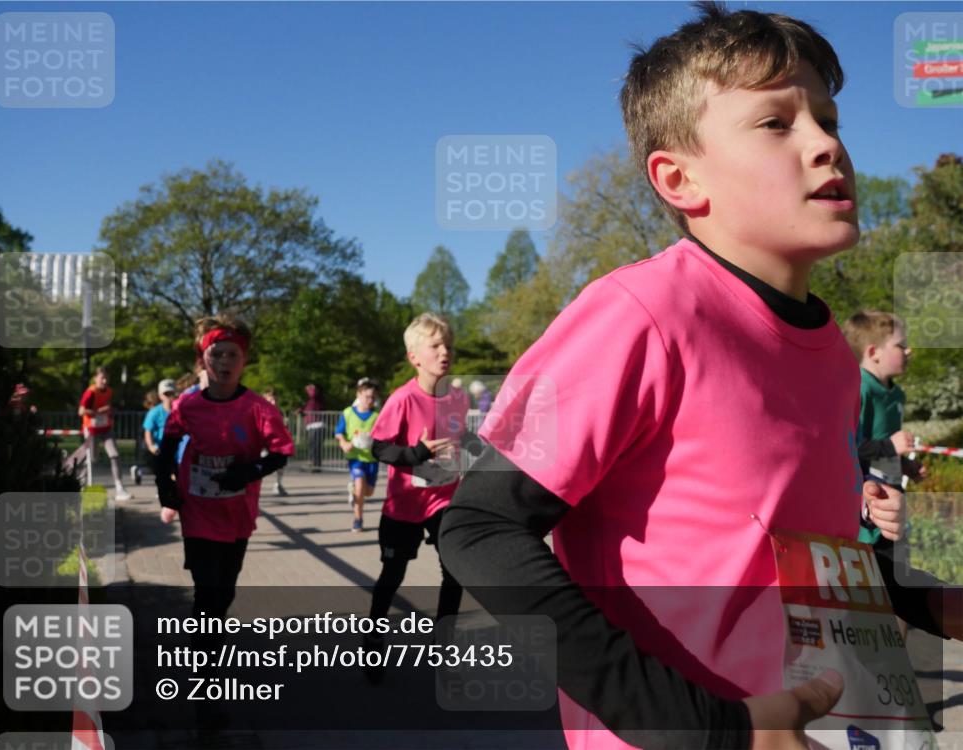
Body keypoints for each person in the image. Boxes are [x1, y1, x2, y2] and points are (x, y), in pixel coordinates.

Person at [439, 6, 959, 749]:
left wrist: (931, 602)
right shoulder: (636, 314)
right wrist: (705, 728)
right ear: (678, 178)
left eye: (829, 118)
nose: (826, 146)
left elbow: (811, 540)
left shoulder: (836, 352)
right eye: (776, 124)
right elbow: (480, 526)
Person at [363, 313, 482, 682]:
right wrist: (415, 454)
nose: (444, 351)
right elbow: (378, 449)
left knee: (455, 569)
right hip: (403, 505)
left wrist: (482, 448)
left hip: (444, 498)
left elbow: (464, 439)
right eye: (435, 346)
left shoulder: (459, 398)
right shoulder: (402, 400)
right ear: (415, 356)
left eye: (447, 344)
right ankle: (372, 644)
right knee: (392, 575)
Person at [156, 314, 294, 635]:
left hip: (237, 513)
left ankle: (210, 640)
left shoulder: (259, 408)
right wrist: (166, 488)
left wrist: (246, 472)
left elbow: (281, 452)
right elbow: (166, 452)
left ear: (244, 361)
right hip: (198, 509)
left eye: (233, 354)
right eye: (216, 353)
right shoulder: (186, 406)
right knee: (205, 589)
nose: (224, 361)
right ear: (202, 360)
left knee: (225, 591)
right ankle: (205, 662)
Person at [843, 311, 926, 498]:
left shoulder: (897, 394)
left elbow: (880, 442)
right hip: (862, 499)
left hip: (891, 491)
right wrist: (890, 446)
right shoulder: (858, 388)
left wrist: (903, 464)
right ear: (874, 353)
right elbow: (847, 447)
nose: (908, 350)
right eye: (901, 345)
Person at [334, 377, 380, 531]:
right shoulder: (347, 413)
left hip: (372, 458)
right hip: (355, 458)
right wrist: (344, 443)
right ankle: (358, 519)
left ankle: (353, 492)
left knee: (368, 492)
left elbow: (383, 435)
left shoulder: (377, 416)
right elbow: (339, 433)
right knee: (360, 485)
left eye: (373, 397)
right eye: (367, 396)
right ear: (358, 395)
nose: (370, 400)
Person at [79, 366, 131, 500]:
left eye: (106, 378)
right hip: (91, 430)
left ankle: (119, 488)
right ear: (95, 378)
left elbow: (107, 406)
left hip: (106, 428)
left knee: (114, 455)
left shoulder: (109, 391)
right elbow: (81, 411)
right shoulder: (90, 392)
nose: (104, 380)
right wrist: (99, 411)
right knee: (92, 459)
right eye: (102, 378)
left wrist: (110, 410)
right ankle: (81, 484)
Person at [139, 380, 177, 488]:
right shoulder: (155, 412)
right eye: (166, 394)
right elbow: (148, 432)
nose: (169, 397)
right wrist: (151, 446)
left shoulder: (179, 410)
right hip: (159, 447)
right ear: (160, 396)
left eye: (171, 394)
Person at [263, 389, 288, 496]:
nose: (274, 402)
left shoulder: (280, 412)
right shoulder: (261, 411)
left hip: (277, 443)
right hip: (263, 443)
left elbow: (284, 427)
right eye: (271, 399)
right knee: (260, 464)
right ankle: (253, 487)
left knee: (280, 465)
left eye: (275, 399)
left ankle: (278, 484)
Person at [298, 383, 324, 472]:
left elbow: (313, 395)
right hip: (311, 425)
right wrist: (301, 411)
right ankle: (314, 465)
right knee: (312, 446)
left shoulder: (316, 399)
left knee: (316, 446)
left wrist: (311, 387)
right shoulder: (310, 401)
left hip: (317, 425)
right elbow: (306, 410)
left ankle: (316, 466)